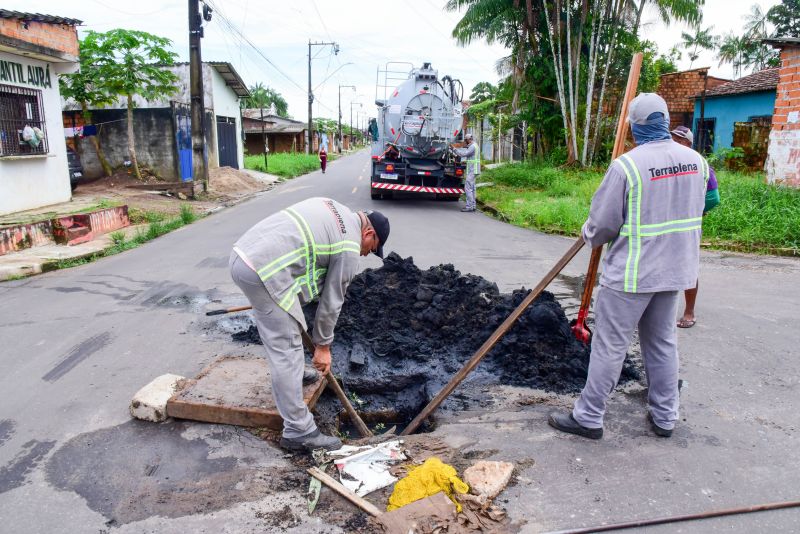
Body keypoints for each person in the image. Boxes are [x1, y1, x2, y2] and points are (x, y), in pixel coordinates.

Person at [548, 93, 710, 440]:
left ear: (635, 128)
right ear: (665, 122)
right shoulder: (696, 162)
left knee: (610, 346)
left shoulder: (628, 166)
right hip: (675, 272)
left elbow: (603, 224)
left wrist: (588, 232)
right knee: (663, 343)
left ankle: (589, 417)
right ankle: (666, 418)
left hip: (632, 275)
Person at [229, 197, 390, 451]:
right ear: (368, 232)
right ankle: (298, 431)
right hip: (265, 269)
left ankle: (295, 376)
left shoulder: (335, 208)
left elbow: (309, 267)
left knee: (284, 324)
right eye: (372, 247)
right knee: (287, 350)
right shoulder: (349, 247)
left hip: (245, 256)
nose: (366, 253)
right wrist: (323, 346)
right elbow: (332, 301)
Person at [671, 125, 720, 329]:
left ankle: (689, 311)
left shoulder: (701, 165)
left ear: (688, 144)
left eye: (679, 140)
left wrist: (697, 210)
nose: (674, 143)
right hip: (664, 223)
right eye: (672, 138)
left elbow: (713, 198)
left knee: (687, 266)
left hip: (687, 226)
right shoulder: (668, 162)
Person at [452, 133, 480, 212]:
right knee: (472, 188)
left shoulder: (472, 147)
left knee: (468, 188)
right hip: (474, 169)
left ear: (468, 139)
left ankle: (469, 207)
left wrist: (454, 149)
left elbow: (463, 154)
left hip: (472, 169)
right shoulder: (475, 145)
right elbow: (471, 156)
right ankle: (473, 205)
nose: (465, 141)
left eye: (465, 140)